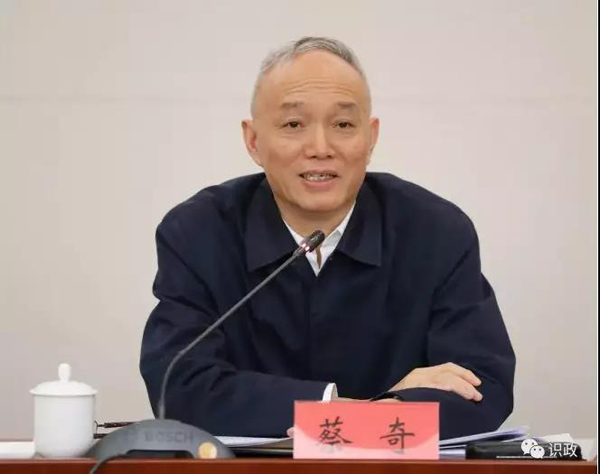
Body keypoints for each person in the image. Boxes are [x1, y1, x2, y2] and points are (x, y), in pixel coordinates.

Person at [140, 37, 515, 439]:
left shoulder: (436, 232)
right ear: (253, 141)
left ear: (371, 138)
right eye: (293, 125)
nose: (320, 148)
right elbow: (179, 385)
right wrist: (357, 411)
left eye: (343, 125)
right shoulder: (199, 232)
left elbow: (483, 386)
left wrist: (367, 417)